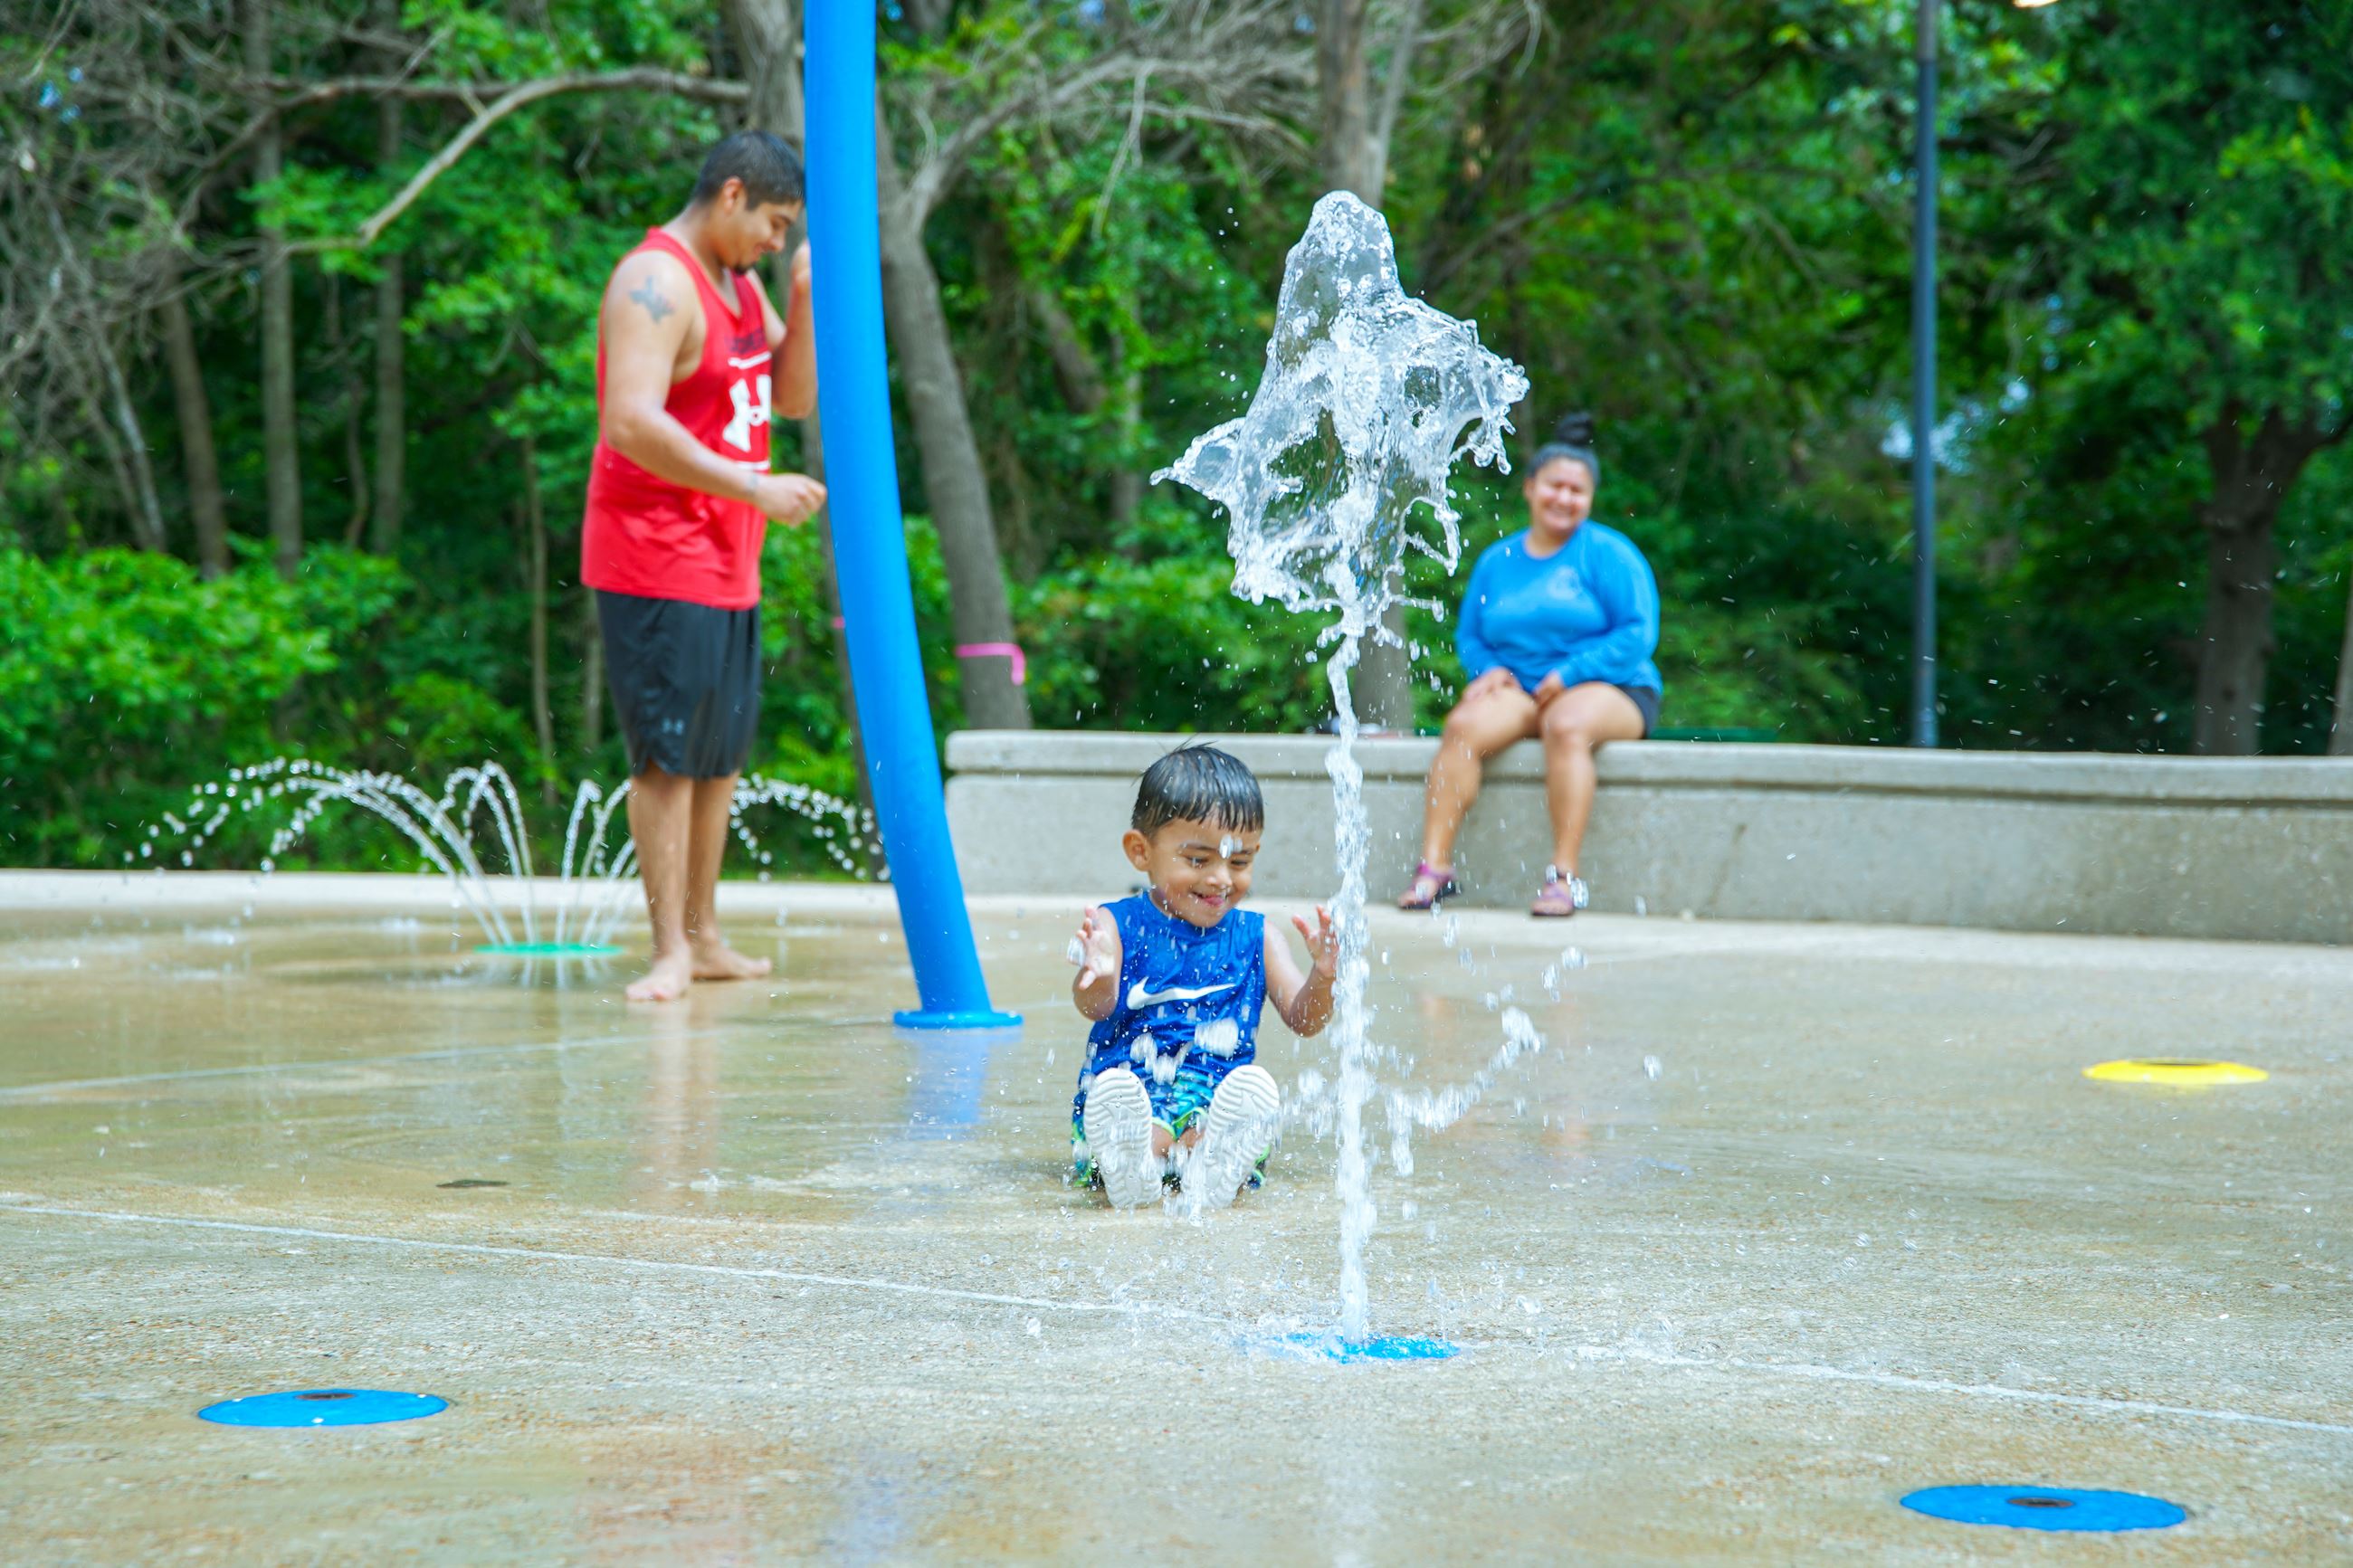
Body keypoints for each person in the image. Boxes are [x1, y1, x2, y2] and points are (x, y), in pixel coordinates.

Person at [582, 131, 827, 1002]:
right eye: (774, 224)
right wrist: (753, 487)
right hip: (654, 555)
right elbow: (631, 421)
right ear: (731, 195)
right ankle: (667, 952)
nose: (776, 240)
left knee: (719, 758)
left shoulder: (741, 284)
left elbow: (792, 398)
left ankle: (705, 934)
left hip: (728, 557)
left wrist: (798, 298)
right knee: (668, 760)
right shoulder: (654, 281)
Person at [1397, 413, 1662, 917]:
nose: (1564, 498)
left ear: (1589, 498)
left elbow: (1637, 634)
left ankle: (1563, 879)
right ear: (1530, 488)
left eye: (1576, 491)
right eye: (1554, 486)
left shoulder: (1610, 554)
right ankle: (1435, 869)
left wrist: (1571, 674)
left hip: (1614, 687)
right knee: (1463, 724)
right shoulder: (1498, 560)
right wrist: (1487, 669)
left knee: (1566, 723)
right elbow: (1471, 634)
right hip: (1522, 690)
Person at [1067, 745, 1338, 1212]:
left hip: (1218, 1097)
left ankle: (1210, 1164)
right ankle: (1133, 1167)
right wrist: (1098, 975)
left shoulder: (1260, 936)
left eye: (1239, 862)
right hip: (1130, 1092)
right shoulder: (1117, 925)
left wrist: (1324, 975)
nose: (1220, 879)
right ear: (1141, 851)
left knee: (1223, 1118)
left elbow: (1305, 1019)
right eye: (1198, 860)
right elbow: (1096, 1009)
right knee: (1141, 1124)